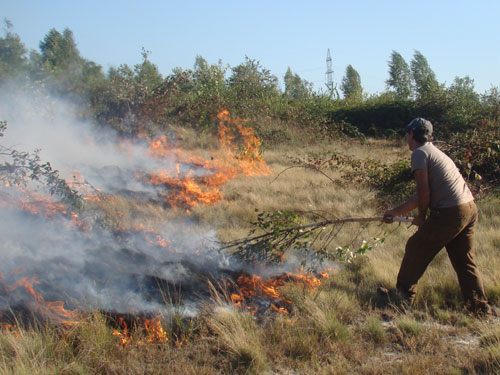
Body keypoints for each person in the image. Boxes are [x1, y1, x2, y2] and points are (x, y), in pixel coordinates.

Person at [382, 117, 490, 314]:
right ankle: (479, 307)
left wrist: (422, 216)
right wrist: (396, 212)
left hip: (451, 212)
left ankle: (401, 298)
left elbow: (424, 193)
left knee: (416, 246)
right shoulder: (435, 151)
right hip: (469, 207)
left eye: (408, 135)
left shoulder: (419, 153)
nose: (407, 139)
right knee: (463, 259)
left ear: (412, 134)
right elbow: (424, 194)